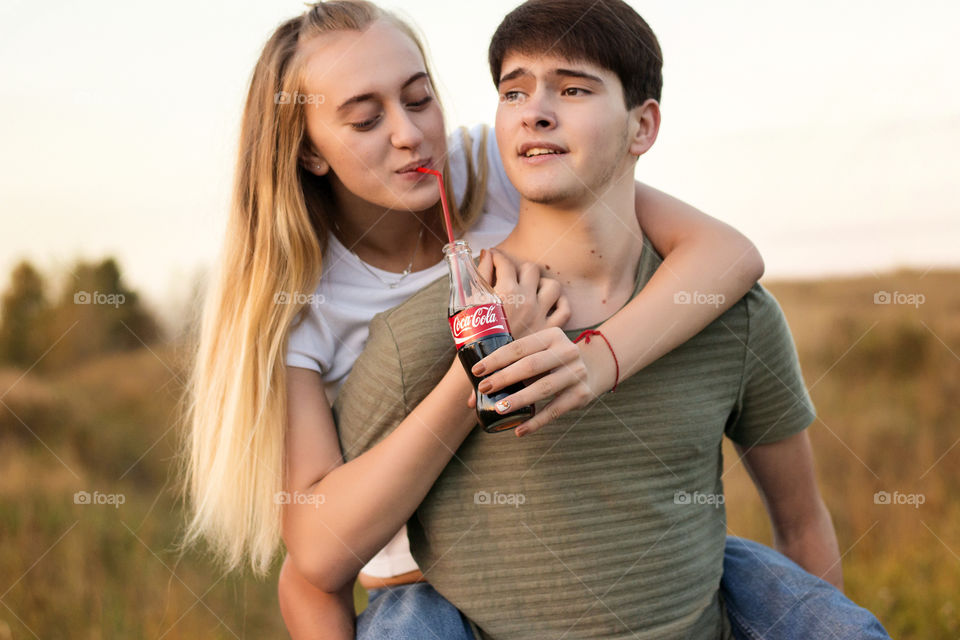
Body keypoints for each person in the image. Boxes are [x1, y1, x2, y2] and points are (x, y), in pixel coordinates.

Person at [174, 0, 764, 637]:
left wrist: (598, 360)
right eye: (366, 120)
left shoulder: (497, 166)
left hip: (585, 550)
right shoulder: (303, 304)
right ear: (311, 153)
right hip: (431, 587)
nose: (409, 134)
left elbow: (727, 255)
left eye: (419, 98)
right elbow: (315, 551)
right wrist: (479, 368)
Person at [321, 0, 893, 638]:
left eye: (572, 88)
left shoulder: (733, 318)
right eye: (514, 91)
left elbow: (802, 522)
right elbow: (323, 547)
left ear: (642, 127)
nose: (536, 109)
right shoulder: (422, 333)